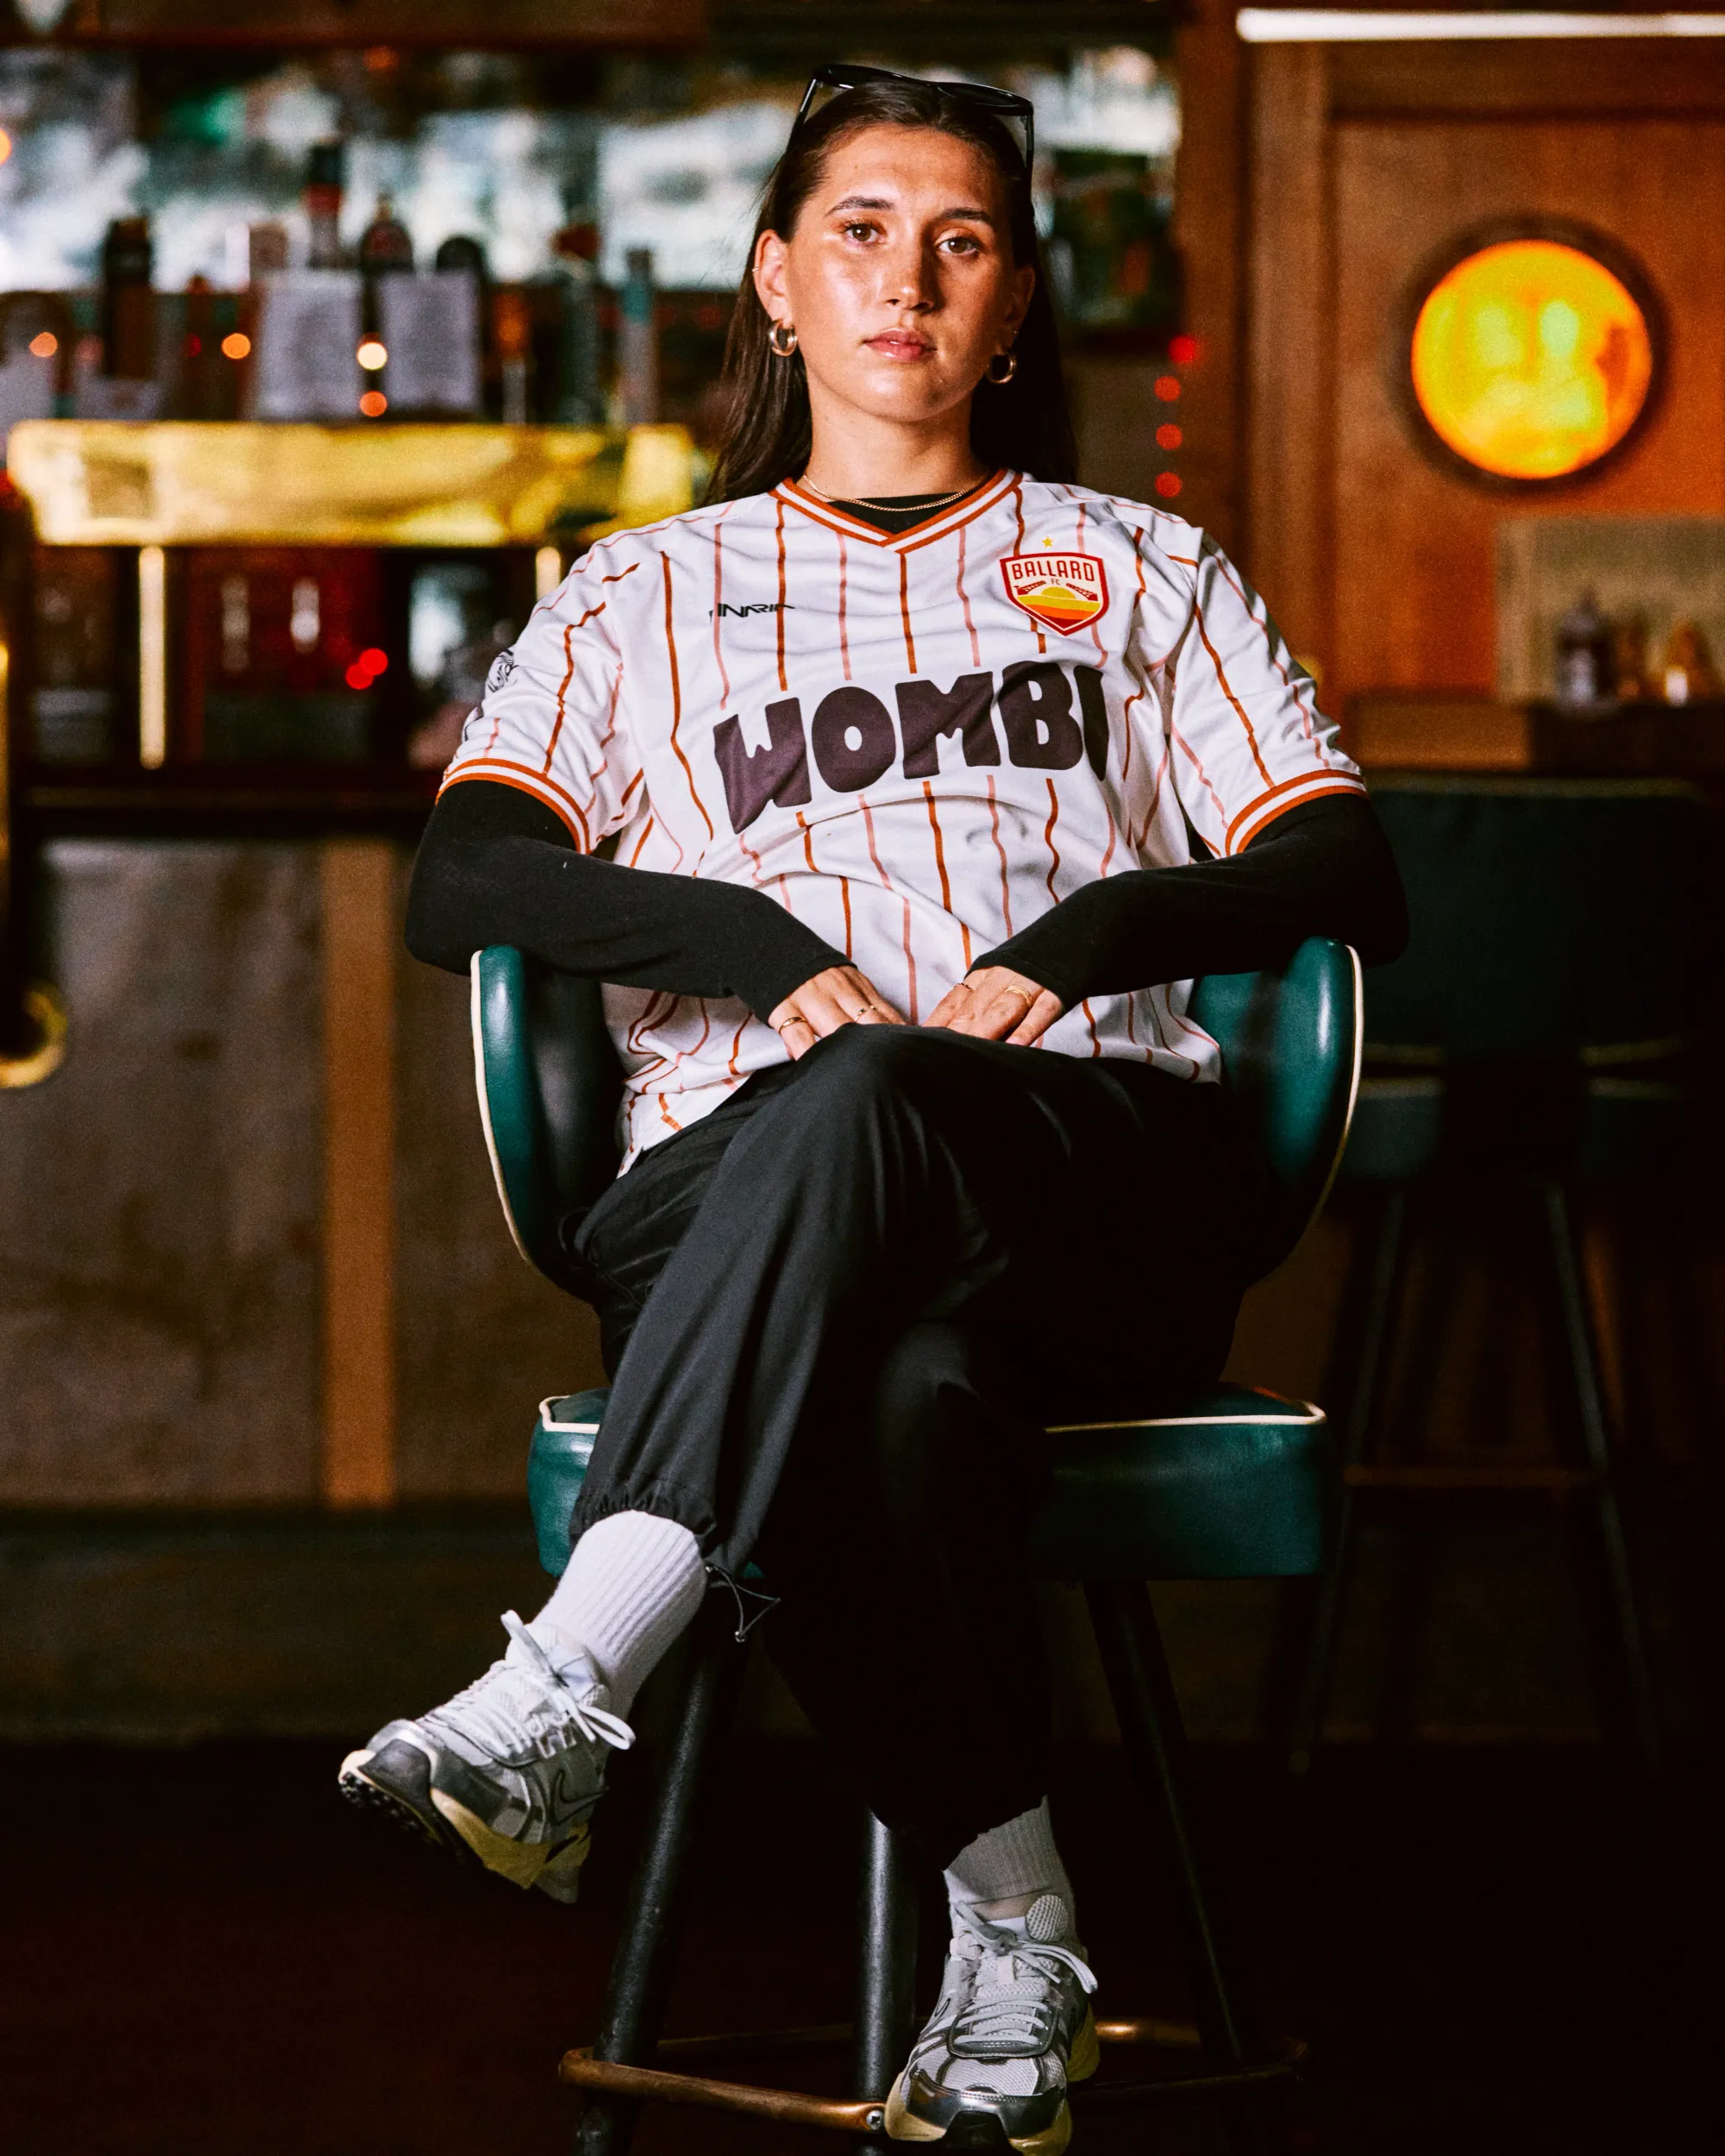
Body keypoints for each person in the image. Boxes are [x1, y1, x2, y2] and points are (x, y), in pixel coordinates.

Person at [340, 66, 1405, 2154]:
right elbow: (462, 882)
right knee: (889, 1375)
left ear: (1016, 305)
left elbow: (1342, 870)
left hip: (1086, 1176)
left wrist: (1099, 927)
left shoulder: (1144, 568)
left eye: (961, 237)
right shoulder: (641, 589)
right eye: (856, 230)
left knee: (890, 1091)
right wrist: (737, 933)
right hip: (732, 1186)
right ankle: (1019, 1931)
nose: (904, 277)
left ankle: (572, 1675)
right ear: (775, 281)